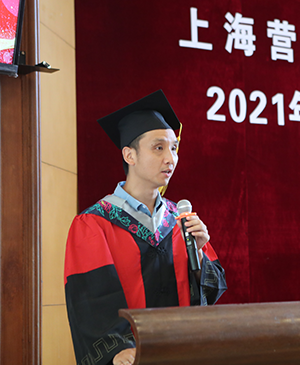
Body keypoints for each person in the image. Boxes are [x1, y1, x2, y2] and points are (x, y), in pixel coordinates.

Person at [64, 90, 227, 365]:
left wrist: (199, 255)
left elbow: (212, 292)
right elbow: (91, 302)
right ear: (130, 155)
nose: (170, 159)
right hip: (133, 358)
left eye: (174, 148)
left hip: (183, 353)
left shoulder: (180, 220)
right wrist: (119, 350)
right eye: (159, 148)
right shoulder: (94, 224)